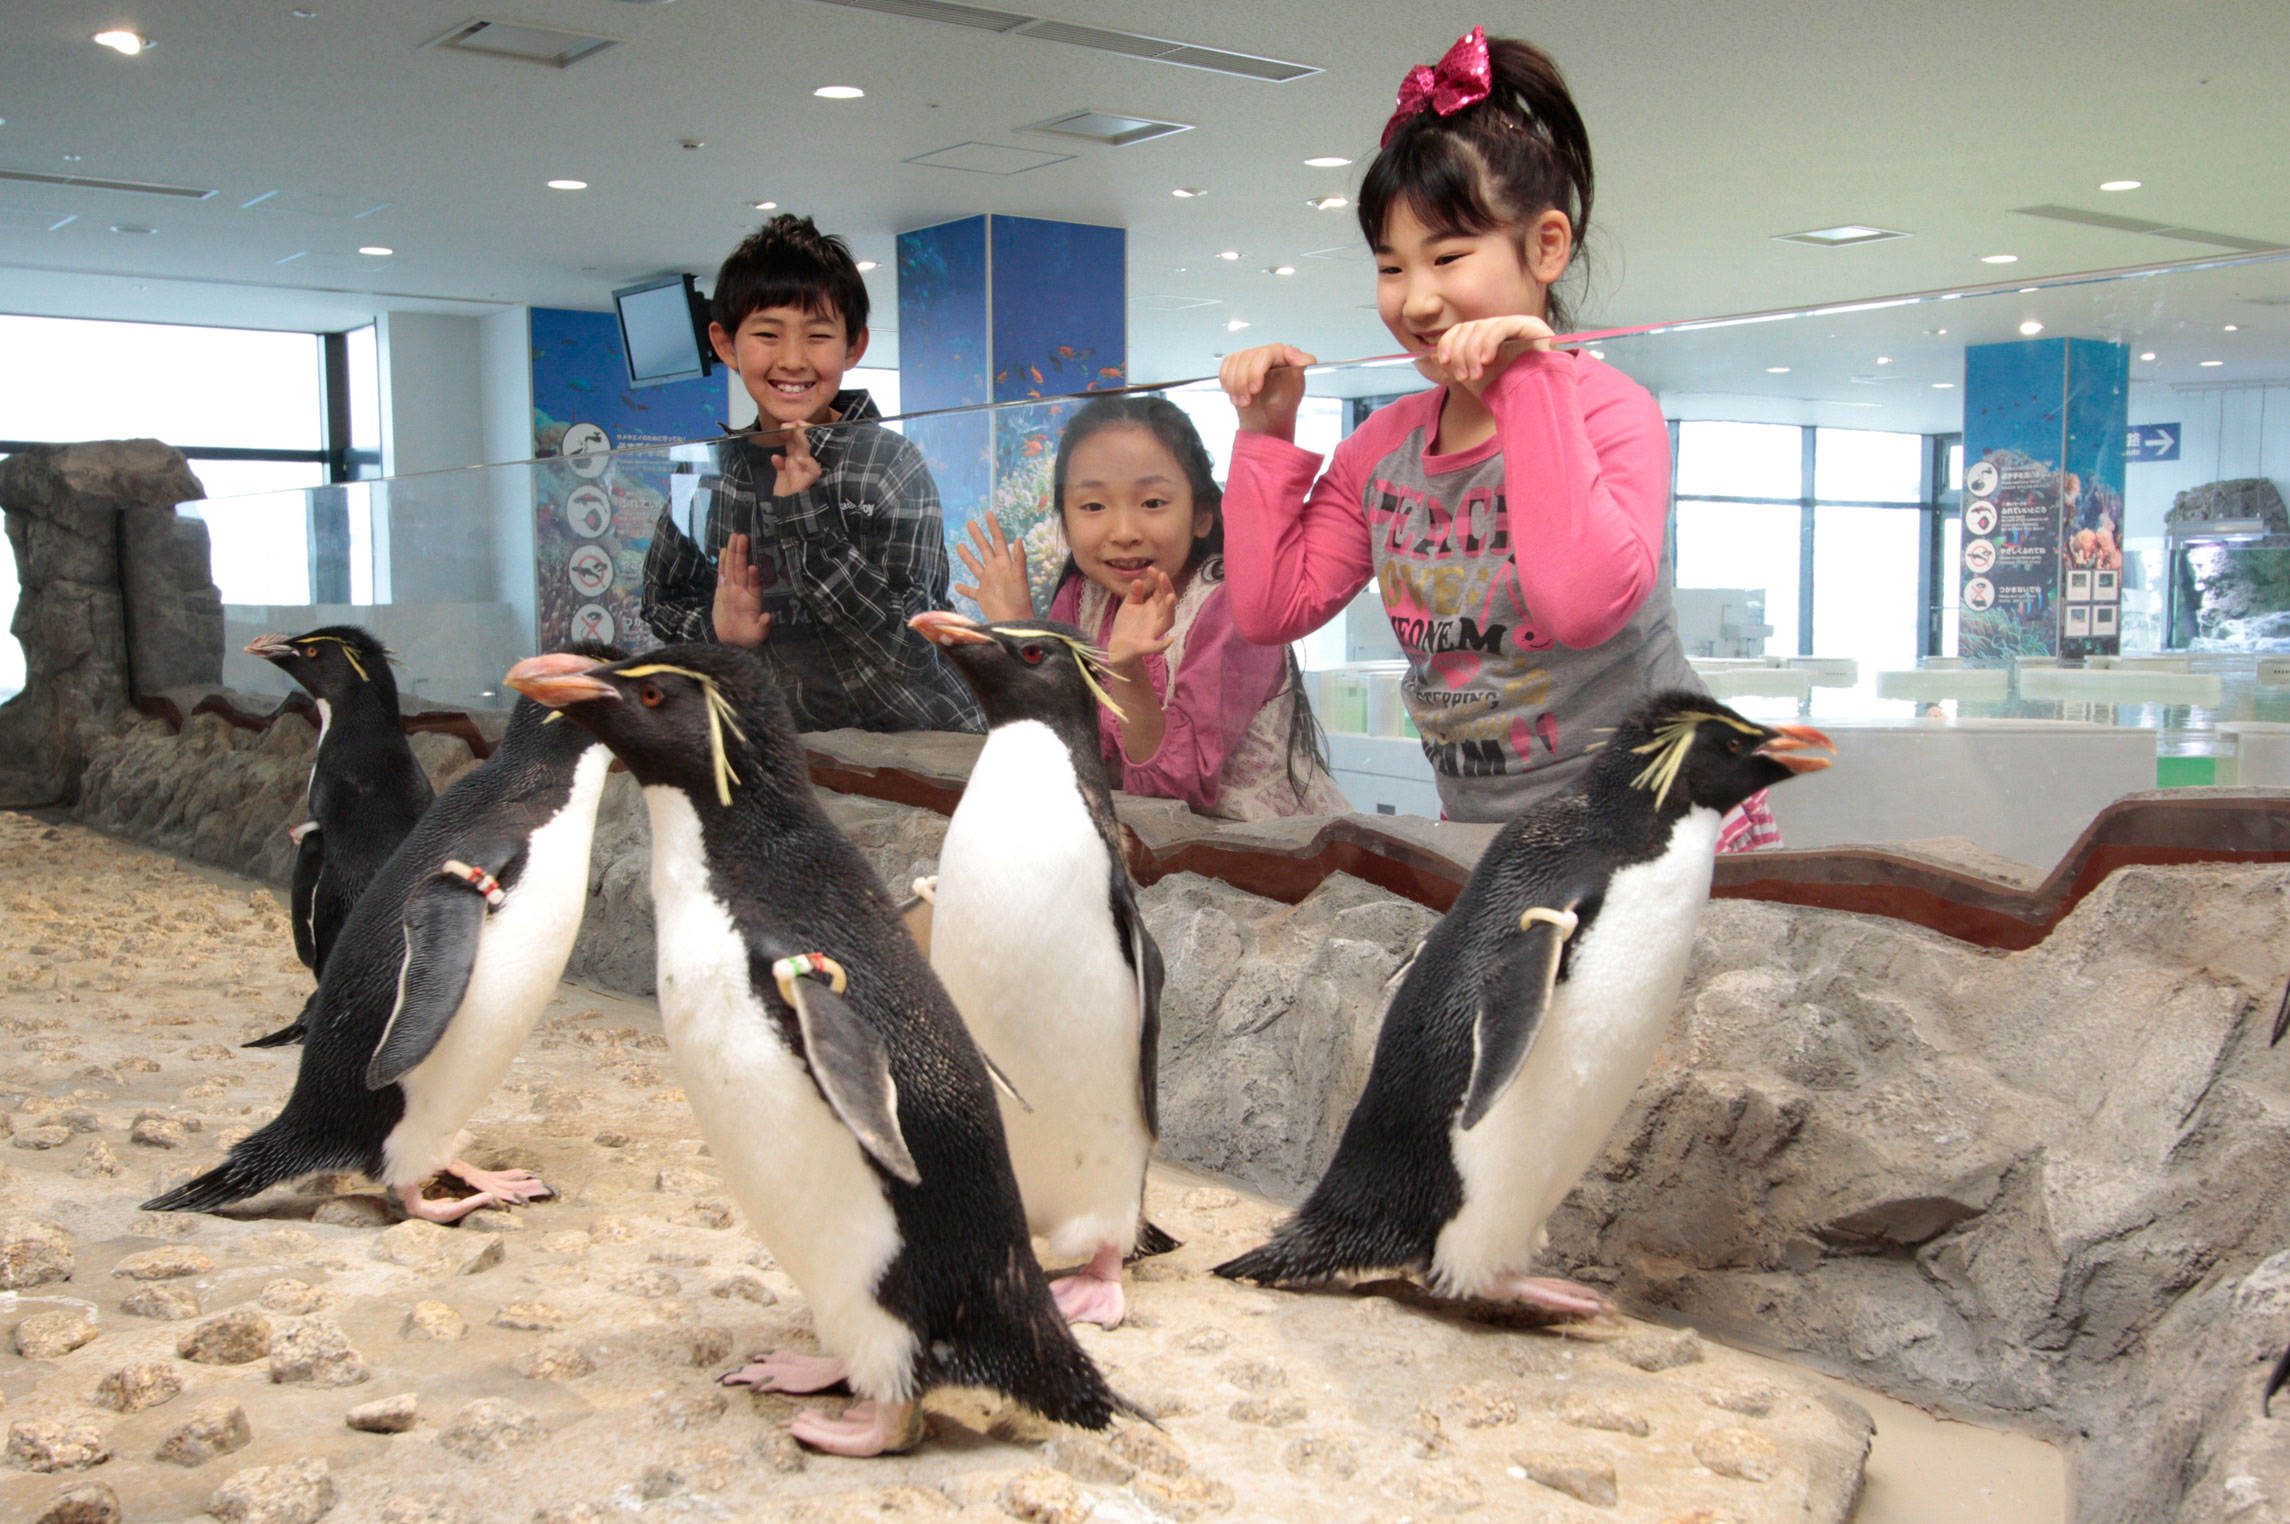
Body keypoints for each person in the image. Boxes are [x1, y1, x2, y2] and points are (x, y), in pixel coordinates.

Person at [1216, 26, 1778, 848]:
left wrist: (1529, 379)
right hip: (1500, 834)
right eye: (1391, 265)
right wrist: (1265, 437)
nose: (1415, 300)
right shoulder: (1382, 450)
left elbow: (1581, 607)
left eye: (1447, 256)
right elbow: (1272, 609)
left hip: (1669, 818)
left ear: (1546, 246)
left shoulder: (1609, 412)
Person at [642, 213, 982, 733]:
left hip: (912, 743)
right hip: (781, 746)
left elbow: (916, 648)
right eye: (767, 334)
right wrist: (716, 632)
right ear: (727, 343)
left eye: (818, 335)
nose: (794, 359)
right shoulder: (705, 473)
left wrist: (805, 521)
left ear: (854, 345)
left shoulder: (887, 462)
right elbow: (662, 602)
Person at [954, 394, 1351, 820]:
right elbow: (1057, 754)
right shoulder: (1083, 597)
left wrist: (1127, 671)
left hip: (1253, 846)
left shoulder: (1227, 609)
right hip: (1141, 838)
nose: (1124, 531)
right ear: (1065, 524)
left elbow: (1178, 789)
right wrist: (1018, 630)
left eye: (1153, 503)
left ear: (1201, 515)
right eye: (1093, 506)